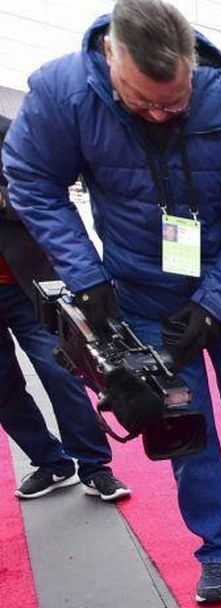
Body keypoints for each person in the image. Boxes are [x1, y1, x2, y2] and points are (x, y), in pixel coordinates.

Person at [5, 0, 221, 603]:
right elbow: (31, 181)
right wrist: (87, 275)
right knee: (185, 430)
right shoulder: (63, 94)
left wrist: (215, 305)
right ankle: (215, 549)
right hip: (141, 296)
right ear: (112, 59)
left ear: (191, 65)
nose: (160, 114)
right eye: (143, 102)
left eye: (174, 102)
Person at [0, 114, 131, 504]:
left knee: (60, 372)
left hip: (25, 283)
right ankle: (50, 461)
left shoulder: (12, 132)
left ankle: (94, 467)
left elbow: (42, 196)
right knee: (2, 385)